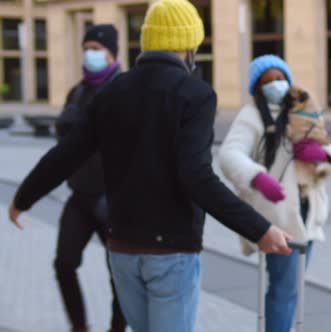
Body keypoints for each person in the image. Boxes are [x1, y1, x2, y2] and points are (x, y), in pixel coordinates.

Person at [8, 1, 292, 331]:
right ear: (189, 45)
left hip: (122, 248)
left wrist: (22, 199)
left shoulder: (113, 90)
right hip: (171, 251)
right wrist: (259, 229)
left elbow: (66, 154)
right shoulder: (196, 94)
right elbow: (196, 177)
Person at [218, 55, 331, 332]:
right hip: (278, 216)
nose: (276, 84)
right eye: (267, 81)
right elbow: (229, 155)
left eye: (280, 78)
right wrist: (258, 178)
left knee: (292, 287)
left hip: (308, 211)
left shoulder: (302, 109)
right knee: (284, 289)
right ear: (257, 87)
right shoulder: (251, 116)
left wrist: (321, 155)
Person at [55, 24, 127, 332]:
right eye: (87, 48)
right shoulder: (78, 90)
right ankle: (79, 326)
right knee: (64, 264)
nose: (90, 54)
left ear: (112, 53)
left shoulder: (123, 89)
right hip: (80, 196)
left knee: (120, 274)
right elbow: (65, 147)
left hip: (111, 199)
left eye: (97, 49)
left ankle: (116, 327)